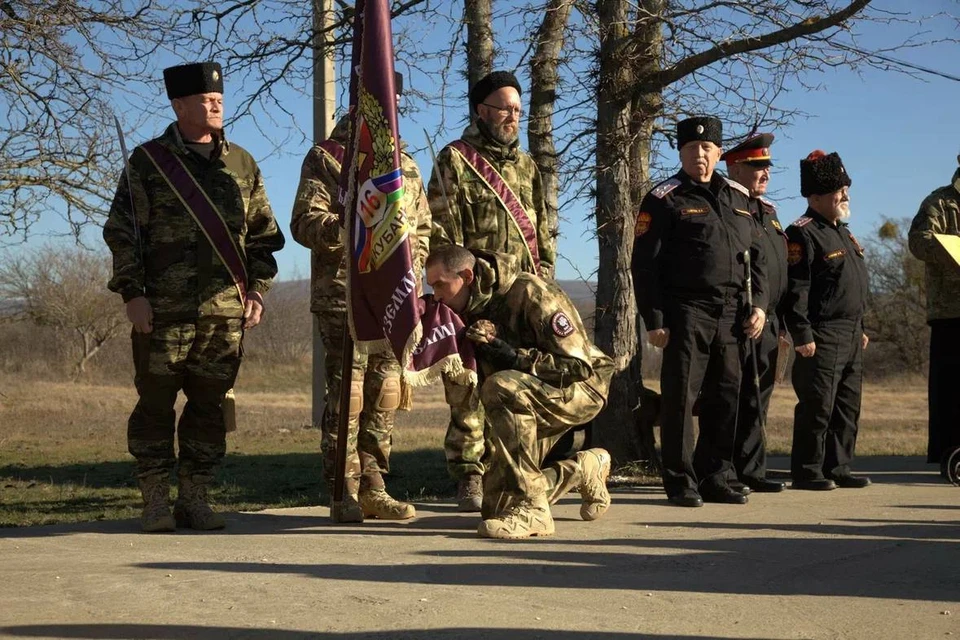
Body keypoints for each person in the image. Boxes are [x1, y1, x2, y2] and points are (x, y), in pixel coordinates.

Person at [103, 62, 285, 532]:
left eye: (219, 98)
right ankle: (156, 501)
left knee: (209, 409)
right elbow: (123, 233)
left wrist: (258, 293)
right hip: (162, 311)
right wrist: (132, 294)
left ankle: (196, 498)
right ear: (179, 105)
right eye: (205, 99)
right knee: (155, 406)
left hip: (225, 316)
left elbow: (263, 239)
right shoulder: (148, 162)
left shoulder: (242, 164)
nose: (216, 104)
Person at [290, 73, 431, 522]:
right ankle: (342, 489)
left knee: (385, 393)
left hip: (392, 297)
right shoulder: (328, 158)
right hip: (343, 296)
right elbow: (304, 223)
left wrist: (409, 264)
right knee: (348, 395)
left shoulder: (405, 165)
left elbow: (422, 229)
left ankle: (375, 485)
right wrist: (350, 228)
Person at [428, 70, 556, 512]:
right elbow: (444, 233)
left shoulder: (528, 166)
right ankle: (468, 475)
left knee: (517, 385)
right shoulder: (455, 160)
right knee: (469, 388)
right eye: (505, 108)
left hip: (522, 297)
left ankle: (513, 475)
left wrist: (545, 283)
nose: (513, 116)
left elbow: (542, 227)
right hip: (475, 295)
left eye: (518, 110)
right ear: (482, 110)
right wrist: (461, 295)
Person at [425, 244, 613, 539]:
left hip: (582, 389)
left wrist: (514, 357)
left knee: (501, 386)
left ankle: (533, 511)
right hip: (528, 397)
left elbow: (578, 366)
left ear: (467, 276)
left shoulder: (530, 293)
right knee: (497, 507)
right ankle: (583, 468)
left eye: (440, 284)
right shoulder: (464, 311)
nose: (436, 294)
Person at [631, 115, 767, 508]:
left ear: (720, 153)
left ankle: (715, 475)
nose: (699, 155)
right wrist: (654, 320)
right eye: (691, 148)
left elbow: (756, 259)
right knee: (680, 398)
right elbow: (644, 264)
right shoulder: (664, 198)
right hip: (686, 310)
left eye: (707, 148)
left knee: (726, 396)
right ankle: (680, 480)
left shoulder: (737, 198)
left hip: (733, 313)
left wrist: (758, 304)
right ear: (681, 152)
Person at [783, 150, 870, 491]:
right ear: (815, 197)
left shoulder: (844, 233)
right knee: (818, 405)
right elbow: (797, 289)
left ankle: (839, 466)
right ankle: (807, 470)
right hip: (821, 332)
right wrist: (802, 333)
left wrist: (861, 327)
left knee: (847, 406)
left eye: (846, 188)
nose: (845, 195)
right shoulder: (802, 233)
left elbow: (854, 285)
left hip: (851, 332)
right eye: (838, 190)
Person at [721, 133, 788, 494]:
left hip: (771, 317)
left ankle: (753, 469)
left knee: (759, 398)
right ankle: (728, 470)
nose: (765, 174)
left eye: (767, 167)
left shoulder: (769, 211)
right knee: (737, 394)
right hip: (743, 316)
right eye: (757, 166)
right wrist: (758, 307)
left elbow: (776, 266)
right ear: (734, 166)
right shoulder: (730, 202)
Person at [907, 152, 960, 479]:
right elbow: (918, 241)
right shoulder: (940, 202)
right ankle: (951, 453)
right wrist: (952, 248)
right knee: (951, 389)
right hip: (951, 312)